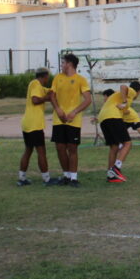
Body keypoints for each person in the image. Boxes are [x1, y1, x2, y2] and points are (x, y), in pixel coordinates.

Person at [49, 53, 92, 187]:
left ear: (70, 64)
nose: (61, 65)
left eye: (63, 62)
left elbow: (88, 100)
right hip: (59, 119)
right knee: (60, 148)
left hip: (74, 120)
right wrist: (58, 109)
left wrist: (74, 112)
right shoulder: (58, 78)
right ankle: (66, 176)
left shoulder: (81, 79)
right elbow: (52, 95)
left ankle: (74, 178)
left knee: (72, 148)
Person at [17, 68, 54, 187]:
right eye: (47, 77)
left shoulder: (39, 87)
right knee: (41, 152)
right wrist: (46, 98)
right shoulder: (35, 84)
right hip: (34, 124)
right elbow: (35, 100)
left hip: (28, 123)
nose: (48, 79)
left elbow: (51, 92)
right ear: (44, 76)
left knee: (28, 150)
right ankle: (47, 179)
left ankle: (22, 178)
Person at [98, 81, 140, 183]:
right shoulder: (132, 92)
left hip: (103, 118)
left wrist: (125, 109)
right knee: (127, 143)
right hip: (113, 116)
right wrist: (125, 102)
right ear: (139, 92)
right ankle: (116, 168)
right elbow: (123, 86)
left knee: (114, 147)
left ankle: (111, 175)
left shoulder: (121, 98)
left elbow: (122, 109)